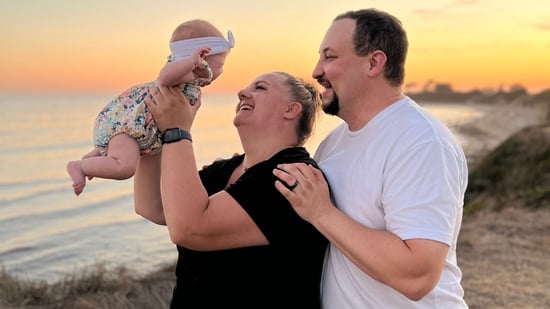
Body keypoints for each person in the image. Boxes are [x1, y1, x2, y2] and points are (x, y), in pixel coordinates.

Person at [273, 8, 469, 308]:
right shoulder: (332, 144)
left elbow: (417, 276)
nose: (316, 71)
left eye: (330, 57)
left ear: (374, 63)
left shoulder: (421, 142)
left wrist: (322, 212)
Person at [134, 72, 328, 308]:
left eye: (260, 88)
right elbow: (152, 206)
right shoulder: (226, 169)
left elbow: (189, 229)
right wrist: (149, 130)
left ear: (290, 110)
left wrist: (176, 131)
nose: (242, 93)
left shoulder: (292, 177)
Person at [66, 19, 234, 196]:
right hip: (129, 128)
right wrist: (191, 63)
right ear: (202, 56)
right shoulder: (183, 70)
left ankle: (96, 158)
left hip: (136, 133)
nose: (221, 71)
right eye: (221, 65)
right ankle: (79, 166)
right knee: (125, 167)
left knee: (121, 155)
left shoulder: (191, 76)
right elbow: (164, 78)